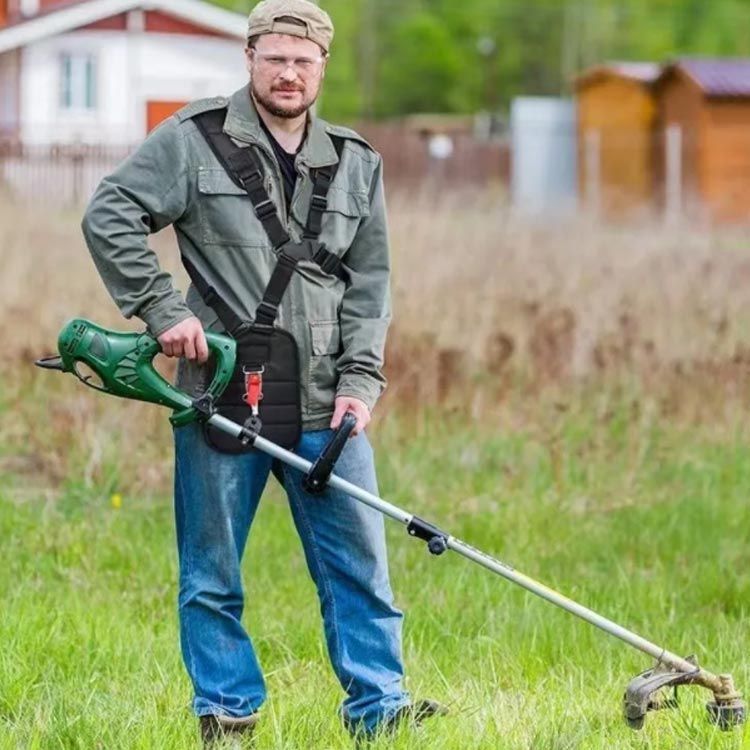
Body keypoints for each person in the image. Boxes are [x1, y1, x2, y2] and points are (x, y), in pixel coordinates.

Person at [81, 0, 445, 745]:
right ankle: (227, 711)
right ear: (250, 58)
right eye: (275, 57)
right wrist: (159, 310)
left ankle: (380, 707)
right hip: (220, 392)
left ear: (322, 68)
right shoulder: (192, 141)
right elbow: (110, 210)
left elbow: (371, 284)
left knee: (361, 567)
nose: (288, 72)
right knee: (211, 574)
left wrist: (360, 383)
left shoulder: (354, 161)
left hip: (325, 404)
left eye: (302, 60)